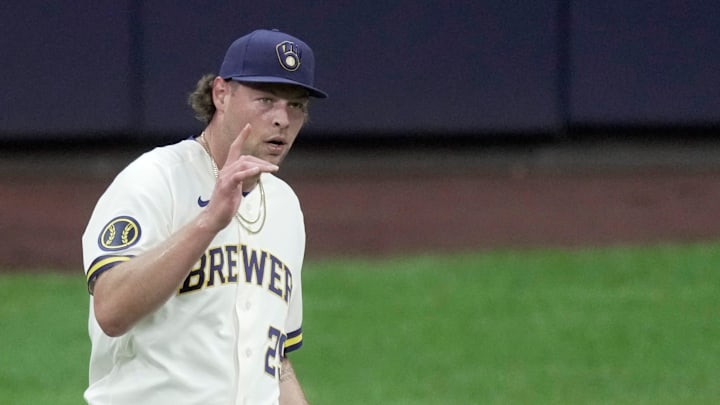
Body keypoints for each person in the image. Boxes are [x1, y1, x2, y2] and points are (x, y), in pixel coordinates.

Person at [81, 28, 327, 405]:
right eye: (266, 100)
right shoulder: (155, 179)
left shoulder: (284, 205)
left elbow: (275, 358)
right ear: (221, 94)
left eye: (296, 105)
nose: (282, 119)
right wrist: (209, 221)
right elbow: (111, 310)